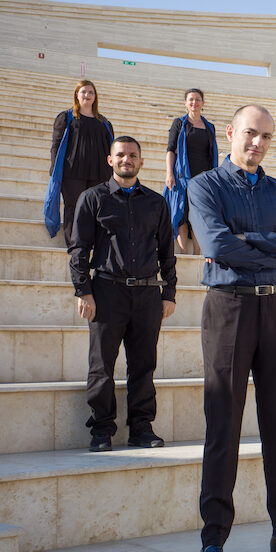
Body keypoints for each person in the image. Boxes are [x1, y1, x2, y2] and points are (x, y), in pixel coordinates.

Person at [187, 105, 276, 552]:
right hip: (229, 307)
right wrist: (271, 241)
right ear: (230, 133)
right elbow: (216, 245)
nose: (257, 143)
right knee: (223, 423)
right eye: (250, 133)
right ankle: (213, 541)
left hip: (275, 307)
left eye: (266, 136)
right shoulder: (204, 185)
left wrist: (250, 239)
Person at [69, 136, 176, 452]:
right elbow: (79, 248)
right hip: (106, 293)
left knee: (144, 365)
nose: (126, 159)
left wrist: (168, 292)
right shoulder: (93, 198)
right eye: (121, 155)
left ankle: (142, 429)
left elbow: (167, 251)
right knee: (102, 365)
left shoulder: (156, 202)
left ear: (141, 162)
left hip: (147, 295)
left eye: (132, 155)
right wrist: (83, 291)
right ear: (110, 160)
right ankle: (101, 430)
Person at [45, 79, 114, 245]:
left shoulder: (104, 122)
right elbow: (56, 145)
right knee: (73, 207)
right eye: (83, 91)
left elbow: (111, 148)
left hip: (99, 172)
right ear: (77, 95)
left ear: (95, 96)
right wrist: (55, 169)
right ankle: (73, 244)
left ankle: (94, 244)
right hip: (72, 171)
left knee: (96, 208)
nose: (87, 95)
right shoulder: (66, 117)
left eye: (91, 92)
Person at [164, 88, 218, 255]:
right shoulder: (179, 123)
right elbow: (170, 150)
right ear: (185, 103)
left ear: (203, 103)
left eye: (197, 99)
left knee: (199, 214)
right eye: (191, 100)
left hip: (203, 177)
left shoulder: (210, 127)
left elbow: (212, 154)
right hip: (182, 176)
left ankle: (197, 252)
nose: (194, 103)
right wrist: (169, 173)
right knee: (182, 213)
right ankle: (183, 252)